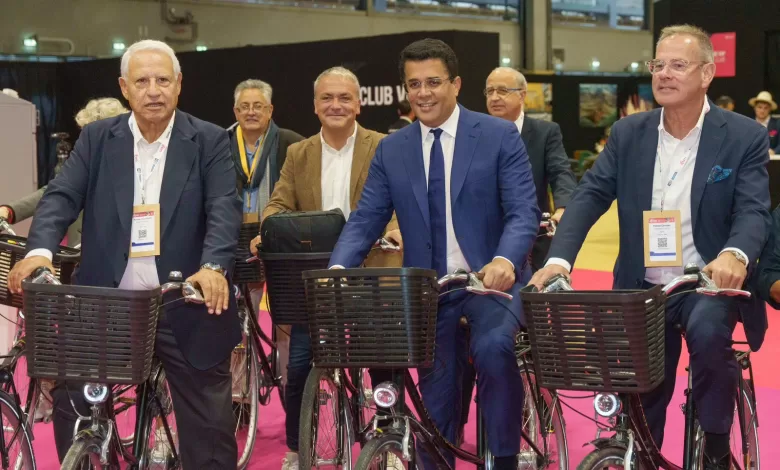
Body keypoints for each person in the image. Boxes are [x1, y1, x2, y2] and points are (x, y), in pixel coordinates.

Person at [529, 25, 771, 470]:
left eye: (678, 64)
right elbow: (589, 197)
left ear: (707, 73)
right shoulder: (629, 133)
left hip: (704, 283)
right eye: (657, 64)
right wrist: (559, 259)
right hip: (643, 287)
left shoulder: (742, 136)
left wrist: (735, 254)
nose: (664, 74)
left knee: (709, 336)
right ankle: (639, 454)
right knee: (641, 393)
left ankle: (716, 445)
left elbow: (753, 211)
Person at [7, 39, 243, 467]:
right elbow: (60, 197)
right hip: (106, 305)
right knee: (73, 404)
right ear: (124, 87)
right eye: (142, 81)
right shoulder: (98, 139)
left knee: (209, 433)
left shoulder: (208, 140)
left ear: (179, 86)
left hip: (183, 301)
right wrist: (40, 250)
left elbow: (224, 209)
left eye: (163, 80)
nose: (153, 90)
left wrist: (212, 267)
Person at [329, 38, 541, 470]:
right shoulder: (393, 148)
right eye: (413, 84)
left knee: (495, 350)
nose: (423, 93)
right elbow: (367, 216)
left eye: (433, 82)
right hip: (430, 290)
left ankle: (504, 457)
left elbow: (523, 211)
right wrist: (337, 266)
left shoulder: (497, 136)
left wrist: (504, 260)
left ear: (456, 84)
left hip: (490, 285)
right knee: (436, 388)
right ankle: (435, 460)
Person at [251, 66, 402, 470]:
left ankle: (388, 437)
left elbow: (403, 203)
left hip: (375, 273)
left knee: (384, 362)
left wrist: (395, 229)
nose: (336, 105)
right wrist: (269, 229)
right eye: (327, 98)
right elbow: (279, 205)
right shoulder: (298, 153)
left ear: (358, 103)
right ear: (315, 105)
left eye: (344, 97)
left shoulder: (386, 146)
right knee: (299, 364)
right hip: (318, 280)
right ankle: (298, 447)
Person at [0, 98, 130, 247]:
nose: (85, 139)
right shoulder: (82, 161)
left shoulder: (133, 163)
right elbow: (55, 191)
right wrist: (10, 211)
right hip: (78, 255)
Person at [484, 67, 576, 270]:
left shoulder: (545, 132)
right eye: (489, 91)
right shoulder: (476, 133)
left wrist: (563, 208)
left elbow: (560, 171)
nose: (494, 97)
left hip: (533, 238)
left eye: (502, 91)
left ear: (522, 95)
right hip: (486, 240)